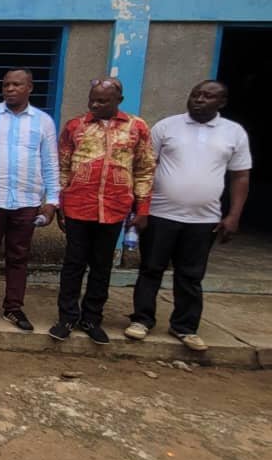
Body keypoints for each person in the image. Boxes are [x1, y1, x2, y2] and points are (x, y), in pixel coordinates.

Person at [125, 80, 251, 352]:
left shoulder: (234, 133)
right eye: (196, 94)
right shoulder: (167, 127)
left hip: (204, 218)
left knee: (191, 275)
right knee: (150, 269)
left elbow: (240, 176)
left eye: (208, 96)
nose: (199, 99)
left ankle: (184, 327)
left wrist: (234, 215)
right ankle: (142, 320)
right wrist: (140, 208)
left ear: (222, 102)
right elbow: (145, 168)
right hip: (160, 213)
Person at [50, 78, 154, 345]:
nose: (95, 105)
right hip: (78, 206)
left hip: (114, 208)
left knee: (101, 266)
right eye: (92, 99)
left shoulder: (137, 127)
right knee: (73, 265)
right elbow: (62, 167)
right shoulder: (75, 126)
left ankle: (92, 318)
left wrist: (142, 208)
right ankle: (67, 318)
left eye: (102, 101)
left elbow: (144, 169)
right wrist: (59, 204)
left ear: (119, 100)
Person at [0, 68, 60, 331]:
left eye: (16, 85)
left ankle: (13, 308)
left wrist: (52, 201)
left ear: (30, 87)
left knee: (18, 257)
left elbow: (50, 162)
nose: (9, 89)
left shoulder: (43, 121)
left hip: (26, 201)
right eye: (6, 85)